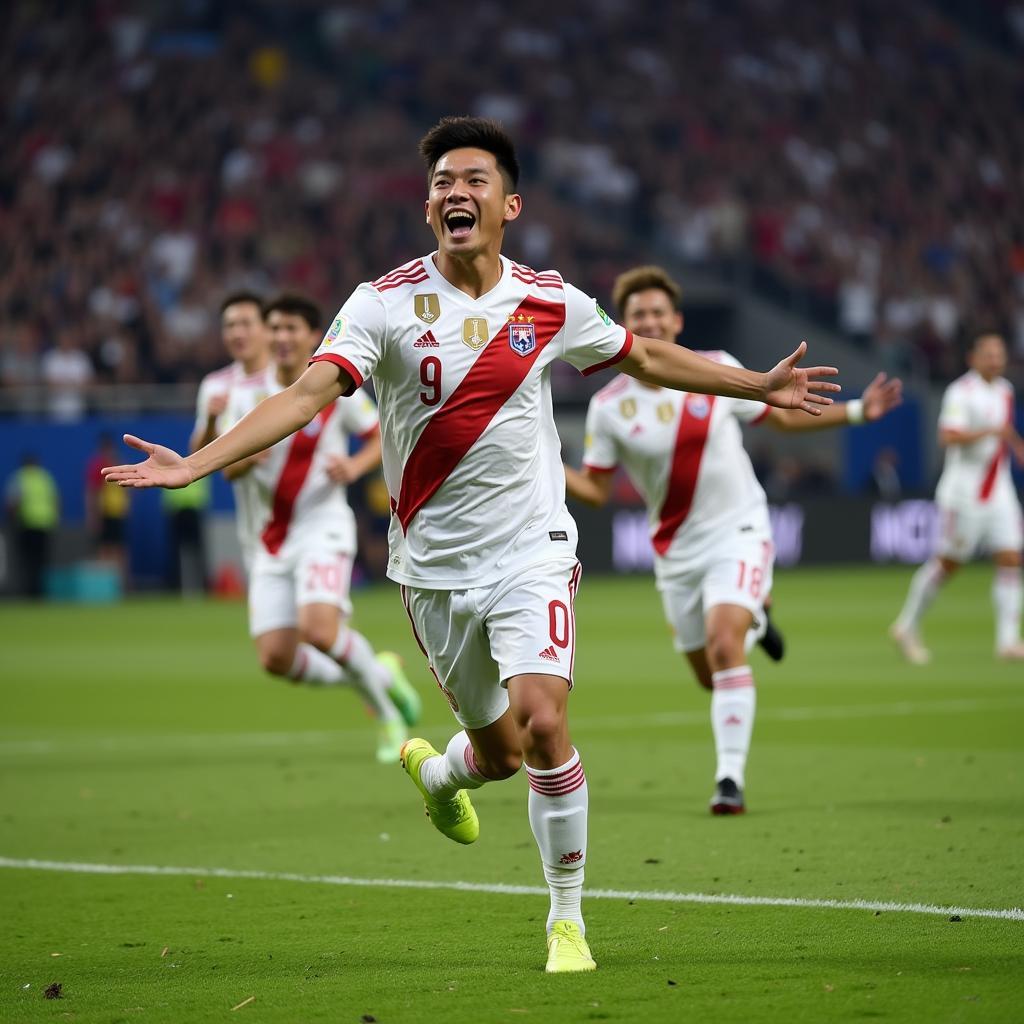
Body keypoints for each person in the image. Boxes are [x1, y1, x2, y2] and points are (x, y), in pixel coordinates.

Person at [103, 116, 840, 973]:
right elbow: (306, 397)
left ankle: (567, 920)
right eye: (442, 182)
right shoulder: (379, 304)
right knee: (499, 752)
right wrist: (196, 463)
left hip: (533, 548)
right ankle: (443, 773)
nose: (456, 191)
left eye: (475, 180)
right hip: (432, 571)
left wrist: (756, 383)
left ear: (510, 203)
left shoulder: (550, 300)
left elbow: (644, 358)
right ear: (428, 209)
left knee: (546, 721)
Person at [564, 266, 901, 815]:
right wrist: (553, 474)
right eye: (637, 315)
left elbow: (783, 419)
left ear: (675, 320)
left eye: (656, 312)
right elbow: (597, 492)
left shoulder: (717, 370)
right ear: (622, 325)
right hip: (675, 551)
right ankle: (758, 618)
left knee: (724, 647)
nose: (648, 320)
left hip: (738, 529)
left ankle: (729, 781)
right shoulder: (609, 407)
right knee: (709, 675)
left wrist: (861, 411)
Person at [222, 293, 420, 764]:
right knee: (276, 658)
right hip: (271, 540)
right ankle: (380, 673)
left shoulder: (335, 389)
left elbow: (381, 437)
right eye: (275, 329)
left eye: (292, 329)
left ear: (314, 336)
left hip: (323, 527)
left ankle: (386, 712)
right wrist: (248, 458)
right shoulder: (246, 397)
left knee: (319, 629)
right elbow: (229, 469)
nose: (282, 337)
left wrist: (353, 467)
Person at [891, 332, 1024, 662]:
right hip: (963, 494)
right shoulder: (961, 392)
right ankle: (907, 624)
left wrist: (1016, 446)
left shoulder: (1005, 391)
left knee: (1011, 557)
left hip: (999, 490)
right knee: (949, 563)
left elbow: (1003, 434)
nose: (995, 360)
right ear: (973, 358)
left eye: (999, 354)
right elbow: (947, 436)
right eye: (988, 354)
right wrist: (990, 432)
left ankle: (1008, 641)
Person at [191, 291, 272, 569]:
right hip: (253, 524)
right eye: (230, 325)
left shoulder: (291, 379)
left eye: (246, 324)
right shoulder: (215, 385)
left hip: (306, 518)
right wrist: (212, 420)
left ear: (265, 328)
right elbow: (196, 455)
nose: (237, 333)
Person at [5, 453, 60, 598]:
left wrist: (13, 520)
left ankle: (28, 591)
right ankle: (39, 591)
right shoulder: (44, 477)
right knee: (41, 560)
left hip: (26, 524)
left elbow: (13, 502)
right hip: (44, 524)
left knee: (26, 560)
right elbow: (55, 500)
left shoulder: (20, 477)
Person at [85, 432, 130, 583]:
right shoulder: (107, 465)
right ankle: (110, 584)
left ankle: (116, 584)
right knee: (110, 550)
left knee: (114, 550)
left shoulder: (110, 464)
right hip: (107, 512)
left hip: (114, 512)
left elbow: (92, 492)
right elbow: (93, 492)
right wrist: (94, 515)